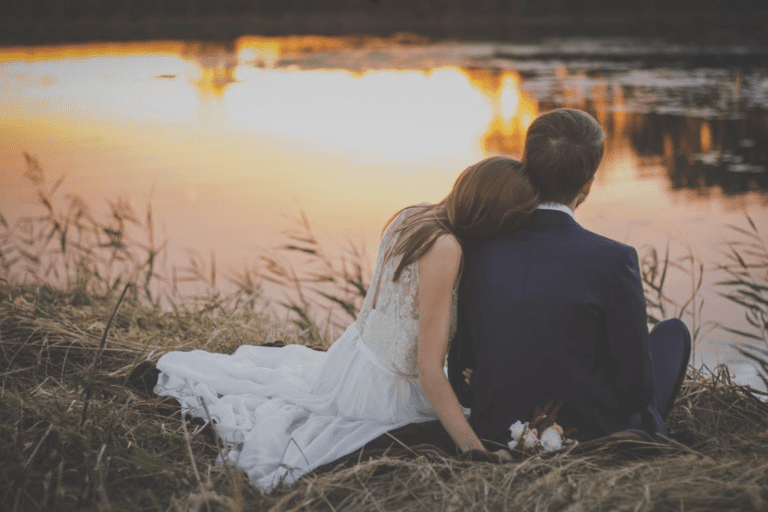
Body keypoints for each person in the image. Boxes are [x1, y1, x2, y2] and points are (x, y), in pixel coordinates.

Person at [152, 156, 539, 491]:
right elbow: (427, 369)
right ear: (495, 217)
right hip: (384, 389)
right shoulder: (446, 248)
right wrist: (472, 450)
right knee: (470, 426)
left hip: (352, 358)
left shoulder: (415, 214)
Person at [448, 108, 692, 447]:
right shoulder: (614, 259)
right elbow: (635, 393)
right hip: (587, 432)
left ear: (526, 167)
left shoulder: (477, 250)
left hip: (498, 428)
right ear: (588, 183)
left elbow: (460, 374)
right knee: (672, 334)